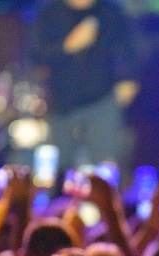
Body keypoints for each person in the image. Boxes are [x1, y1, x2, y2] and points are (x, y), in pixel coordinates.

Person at [31, 0, 138, 171]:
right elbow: (35, 57)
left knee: (105, 170)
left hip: (102, 102)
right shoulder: (48, 13)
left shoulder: (111, 12)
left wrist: (129, 79)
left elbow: (128, 51)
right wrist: (67, 45)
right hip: (60, 107)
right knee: (56, 171)